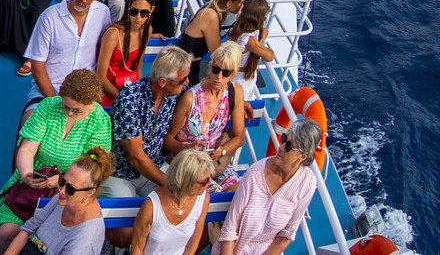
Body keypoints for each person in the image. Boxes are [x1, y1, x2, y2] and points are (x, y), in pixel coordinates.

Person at [0, 69, 112, 232]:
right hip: (32, 185)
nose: (68, 113)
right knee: (5, 233)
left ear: (92, 103)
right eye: (65, 106)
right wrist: (27, 175)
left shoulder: (100, 122)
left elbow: (92, 169)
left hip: (70, 191)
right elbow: (27, 150)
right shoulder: (48, 106)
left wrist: (63, 180)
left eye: (76, 110)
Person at [215, 117, 324, 255]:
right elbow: (229, 231)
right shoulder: (255, 174)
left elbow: (286, 234)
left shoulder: (307, 183)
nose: (281, 146)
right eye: (284, 139)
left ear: (302, 156)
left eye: (289, 146)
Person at [101, 46, 194, 201]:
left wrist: (238, 101)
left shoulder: (175, 91)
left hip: (155, 166)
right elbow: (136, 158)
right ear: (163, 82)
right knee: (127, 220)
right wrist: (170, 184)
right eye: (183, 79)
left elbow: (201, 91)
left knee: (186, 200)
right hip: (120, 174)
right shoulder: (129, 101)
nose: (187, 82)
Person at [21, 0, 113, 108]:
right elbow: (37, 67)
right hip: (47, 91)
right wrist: (56, 102)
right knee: (31, 126)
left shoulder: (103, 13)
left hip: (84, 95)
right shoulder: (49, 17)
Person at [0, 148, 113, 255]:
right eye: (62, 181)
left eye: (70, 188)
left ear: (90, 192)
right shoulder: (67, 200)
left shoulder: (84, 241)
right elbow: (29, 228)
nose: (61, 191)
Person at [164, 40, 246, 188]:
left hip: (215, 163)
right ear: (211, 64)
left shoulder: (235, 92)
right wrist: (188, 147)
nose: (219, 76)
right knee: (213, 195)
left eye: (226, 72)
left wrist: (223, 150)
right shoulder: (190, 97)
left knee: (239, 191)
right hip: (189, 164)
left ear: (233, 72)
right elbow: (168, 139)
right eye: (216, 69)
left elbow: (239, 137)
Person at [127, 149, 217, 255]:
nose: (209, 183)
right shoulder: (151, 205)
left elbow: (193, 244)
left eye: (210, 178)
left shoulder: (203, 198)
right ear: (186, 180)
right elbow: (137, 249)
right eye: (205, 181)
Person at [175, 0, 249, 81]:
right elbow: (219, 55)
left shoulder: (210, 9)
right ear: (229, 3)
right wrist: (238, 25)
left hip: (187, 66)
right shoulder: (210, 15)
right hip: (184, 72)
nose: (242, 6)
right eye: (242, 2)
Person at [96, 0, 154, 108]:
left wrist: (137, 95)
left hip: (128, 85)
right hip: (108, 87)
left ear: (151, 10)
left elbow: (138, 67)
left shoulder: (147, 31)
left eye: (144, 13)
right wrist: (122, 99)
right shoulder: (113, 34)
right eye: (134, 11)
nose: (138, 17)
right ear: (128, 8)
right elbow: (100, 77)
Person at [226, 0, 276, 114]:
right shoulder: (249, 40)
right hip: (241, 82)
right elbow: (270, 56)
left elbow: (265, 31)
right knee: (238, 113)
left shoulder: (239, 27)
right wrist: (259, 43)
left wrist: (259, 41)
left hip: (239, 78)